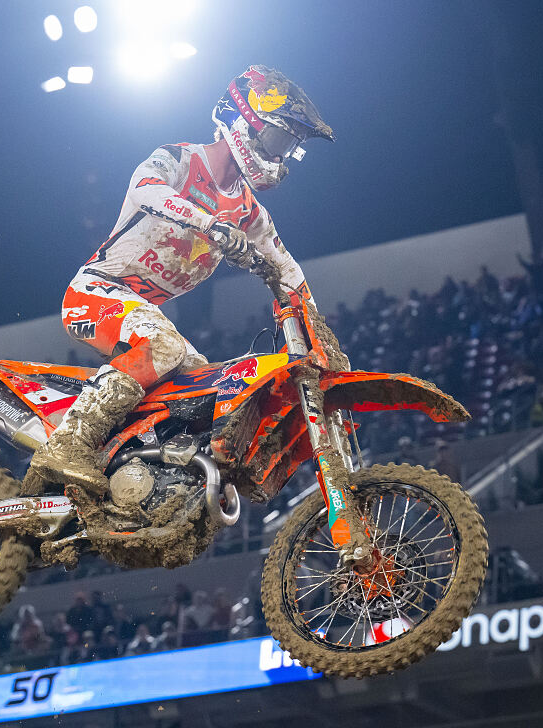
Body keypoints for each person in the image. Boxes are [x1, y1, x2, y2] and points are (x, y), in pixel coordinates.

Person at [26, 65, 334, 492]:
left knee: (206, 386)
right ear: (244, 122)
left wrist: (321, 337)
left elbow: (288, 270)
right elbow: (145, 187)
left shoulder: (250, 214)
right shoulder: (180, 159)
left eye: (291, 147)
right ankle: (68, 445)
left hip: (140, 310)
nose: (281, 155)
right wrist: (209, 223)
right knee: (164, 346)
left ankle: (143, 480)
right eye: (280, 140)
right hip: (95, 291)